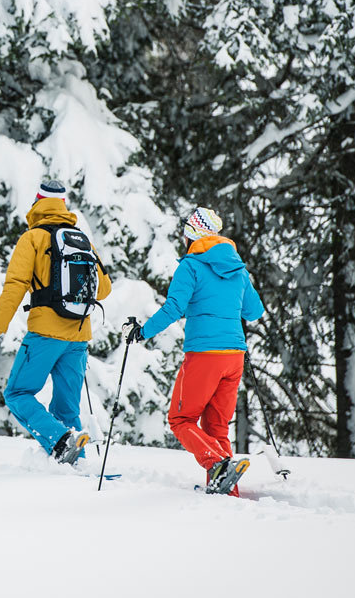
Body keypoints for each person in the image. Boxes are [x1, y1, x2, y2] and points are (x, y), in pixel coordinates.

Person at [123, 207, 264, 495]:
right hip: (234, 356)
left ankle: (217, 463)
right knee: (216, 426)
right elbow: (253, 311)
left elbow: (173, 308)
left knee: (180, 419)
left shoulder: (190, 266)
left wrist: (142, 332)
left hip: (205, 355)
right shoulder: (238, 269)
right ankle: (228, 491)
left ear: (191, 235)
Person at [0, 180, 112, 465]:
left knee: (17, 393)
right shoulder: (80, 238)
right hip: (78, 336)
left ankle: (61, 442)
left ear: (37, 202)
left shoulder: (33, 238)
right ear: (63, 205)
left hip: (45, 334)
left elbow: (15, 286)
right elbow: (104, 288)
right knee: (66, 409)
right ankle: (77, 461)